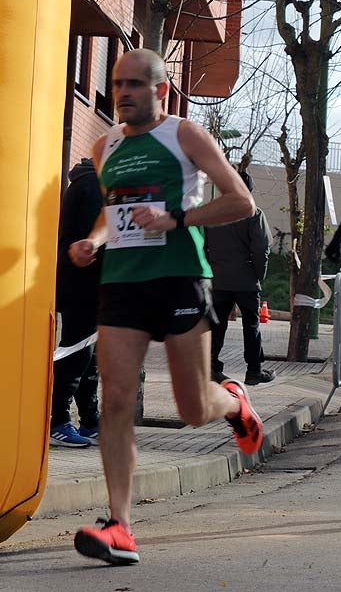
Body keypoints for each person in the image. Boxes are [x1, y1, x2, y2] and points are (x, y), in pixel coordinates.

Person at [68, 48, 263, 565]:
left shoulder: (184, 135)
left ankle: (235, 404)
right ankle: (121, 527)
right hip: (122, 284)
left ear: (160, 91)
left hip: (180, 278)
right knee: (115, 402)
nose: (123, 93)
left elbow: (242, 201)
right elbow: (116, 214)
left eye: (135, 84)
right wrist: (93, 240)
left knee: (194, 408)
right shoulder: (103, 146)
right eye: (117, 84)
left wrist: (176, 219)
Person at [51, 158, 103, 447]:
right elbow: (91, 241)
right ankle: (57, 421)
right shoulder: (92, 186)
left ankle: (90, 422)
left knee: (89, 356)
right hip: (82, 284)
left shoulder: (92, 183)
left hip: (84, 284)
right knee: (77, 354)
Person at [205, 168, 273, 385]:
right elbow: (261, 248)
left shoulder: (214, 213)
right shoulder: (253, 213)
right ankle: (253, 371)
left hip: (218, 279)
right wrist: (258, 274)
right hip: (246, 280)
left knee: (216, 324)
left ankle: (211, 367)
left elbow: (204, 245)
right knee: (251, 326)